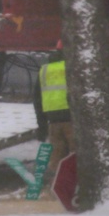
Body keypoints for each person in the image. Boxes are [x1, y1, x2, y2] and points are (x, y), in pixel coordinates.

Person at [33, 42, 74, 174]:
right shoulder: (72, 68)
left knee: (56, 157)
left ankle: (57, 186)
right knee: (75, 156)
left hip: (53, 122)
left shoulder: (45, 70)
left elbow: (37, 100)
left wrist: (42, 125)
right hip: (71, 120)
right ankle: (77, 185)